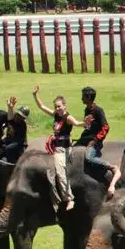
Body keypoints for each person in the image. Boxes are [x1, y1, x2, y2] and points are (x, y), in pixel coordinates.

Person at [33, 85, 81, 213]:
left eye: (59, 106)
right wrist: (35, 95)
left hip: (63, 150)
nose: (57, 109)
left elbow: (76, 123)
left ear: (65, 106)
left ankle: (69, 198)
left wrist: (85, 123)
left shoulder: (67, 118)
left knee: (60, 173)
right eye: (56, 107)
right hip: (54, 148)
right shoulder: (56, 115)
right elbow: (42, 107)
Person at [75, 86, 109, 159]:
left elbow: (106, 127)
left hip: (94, 141)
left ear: (89, 98)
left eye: (83, 96)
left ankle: (110, 166)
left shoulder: (98, 111)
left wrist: (95, 140)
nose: (81, 98)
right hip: (85, 138)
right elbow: (87, 126)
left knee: (88, 157)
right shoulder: (86, 110)